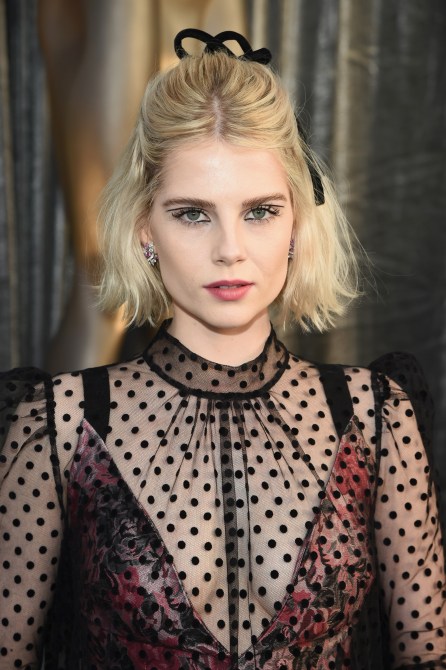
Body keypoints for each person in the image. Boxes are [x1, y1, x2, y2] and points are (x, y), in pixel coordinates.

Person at [0, 28, 444, 670]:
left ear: (297, 223)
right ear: (144, 228)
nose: (230, 249)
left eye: (260, 211)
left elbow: (427, 656)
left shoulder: (376, 416)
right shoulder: (59, 424)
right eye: (192, 213)